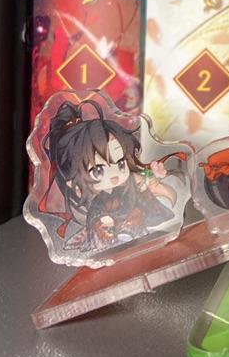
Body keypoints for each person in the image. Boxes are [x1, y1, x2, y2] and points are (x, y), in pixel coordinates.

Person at [40, 98, 178, 252]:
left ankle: (130, 233)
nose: (114, 175)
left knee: (136, 215)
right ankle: (113, 238)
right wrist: (103, 219)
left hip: (136, 224)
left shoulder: (130, 181)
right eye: (98, 170)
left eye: (120, 163)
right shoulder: (94, 199)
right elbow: (94, 213)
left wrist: (154, 179)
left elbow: (150, 186)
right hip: (106, 227)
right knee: (102, 225)